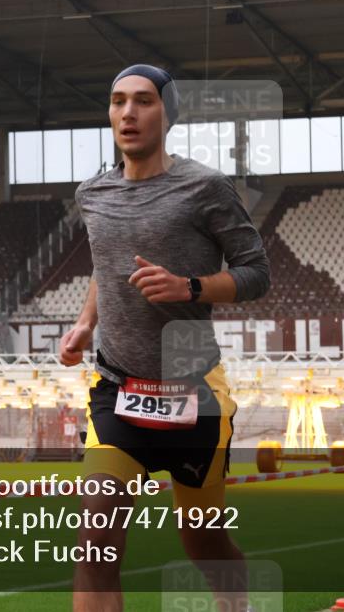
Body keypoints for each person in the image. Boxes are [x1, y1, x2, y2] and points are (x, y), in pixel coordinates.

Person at [59, 63, 271, 612]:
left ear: (167, 114)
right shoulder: (92, 193)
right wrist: (86, 322)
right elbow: (106, 266)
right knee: (95, 544)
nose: (128, 112)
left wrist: (190, 287)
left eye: (144, 101)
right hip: (116, 391)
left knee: (202, 540)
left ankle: (236, 602)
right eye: (117, 100)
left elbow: (256, 274)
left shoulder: (204, 187)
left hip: (193, 394)